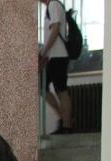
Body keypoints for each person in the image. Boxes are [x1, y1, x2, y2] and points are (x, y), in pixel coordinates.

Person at [40, 0, 74, 134]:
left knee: (61, 90)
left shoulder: (54, 5)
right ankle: (63, 118)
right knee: (42, 87)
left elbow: (55, 29)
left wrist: (45, 51)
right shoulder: (50, 7)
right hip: (53, 57)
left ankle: (67, 125)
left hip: (59, 55)